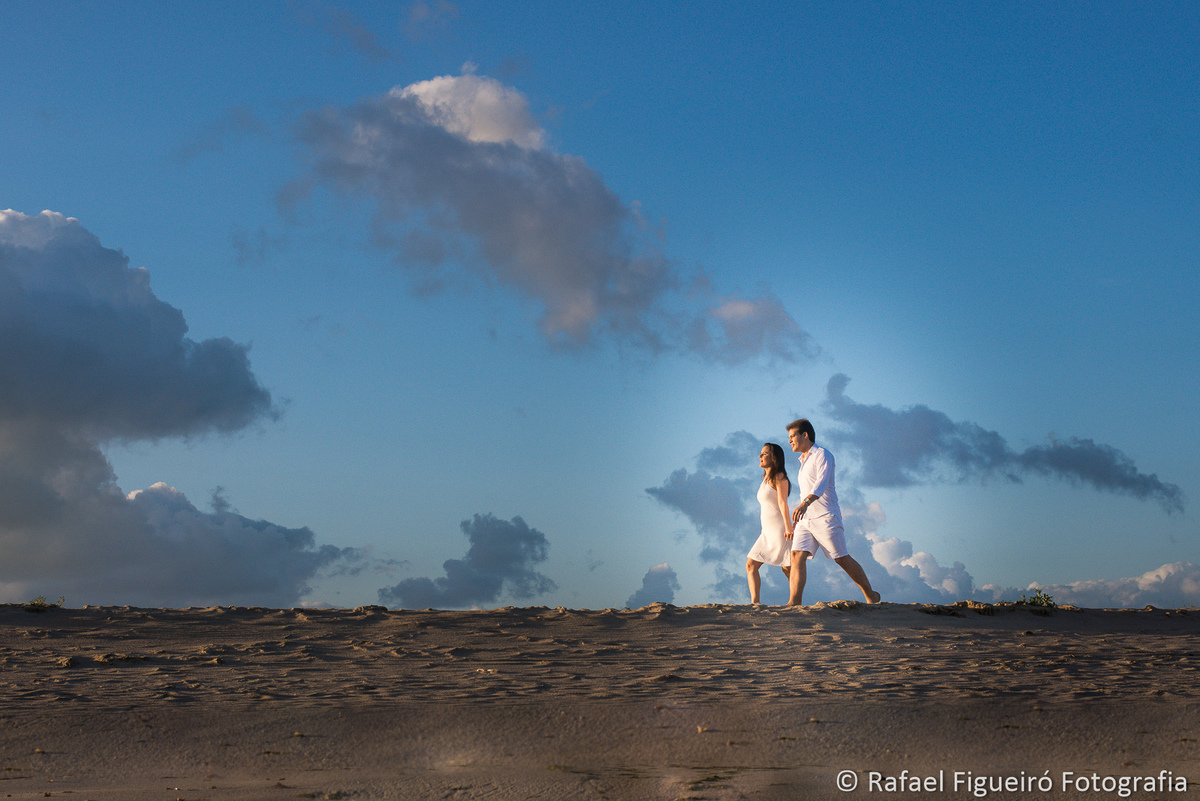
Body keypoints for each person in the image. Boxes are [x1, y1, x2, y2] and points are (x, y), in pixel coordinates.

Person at [785, 419, 881, 606]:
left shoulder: (823, 454)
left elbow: (820, 484)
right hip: (806, 519)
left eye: (792, 436)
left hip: (826, 516)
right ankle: (794, 602)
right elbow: (805, 490)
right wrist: (800, 513)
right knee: (796, 555)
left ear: (805, 435)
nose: (789, 441)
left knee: (841, 558)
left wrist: (804, 503)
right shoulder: (803, 460)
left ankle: (871, 595)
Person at [746, 443, 794, 604]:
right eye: (760, 453)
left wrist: (788, 527)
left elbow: (782, 503)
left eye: (764, 454)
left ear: (773, 457)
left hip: (780, 529)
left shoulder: (779, 477)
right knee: (751, 564)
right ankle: (755, 603)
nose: (760, 456)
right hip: (766, 531)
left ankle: (795, 601)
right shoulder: (765, 479)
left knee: (787, 568)